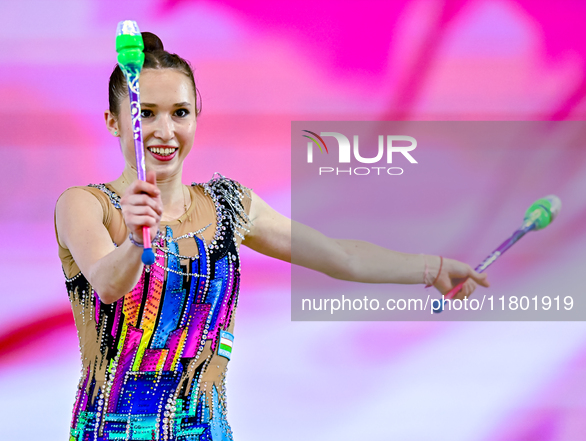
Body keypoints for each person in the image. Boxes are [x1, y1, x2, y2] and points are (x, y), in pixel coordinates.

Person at [54, 32, 489, 441]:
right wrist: (135, 237)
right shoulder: (86, 205)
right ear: (114, 122)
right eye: (146, 113)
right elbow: (109, 286)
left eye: (180, 113)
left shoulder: (229, 204)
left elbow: (341, 256)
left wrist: (430, 268)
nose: (165, 131)